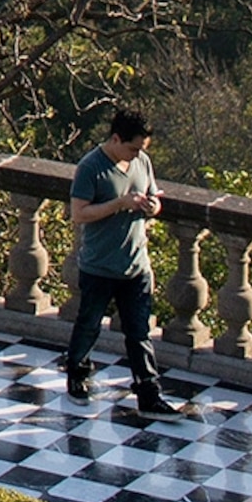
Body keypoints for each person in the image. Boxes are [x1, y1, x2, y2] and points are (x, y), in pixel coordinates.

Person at [65, 107, 176, 417]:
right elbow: (79, 213)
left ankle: (148, 393)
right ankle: (77, 373)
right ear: (115, 139)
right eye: (132, 147)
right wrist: (119, 204)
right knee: (88, 325)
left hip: (136, 265)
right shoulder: (90, 167)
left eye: (141, 148)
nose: (137, 154)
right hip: (99, 266)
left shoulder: (142, 161)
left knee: (139, 333)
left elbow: (154, 198)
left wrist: (152, 206)